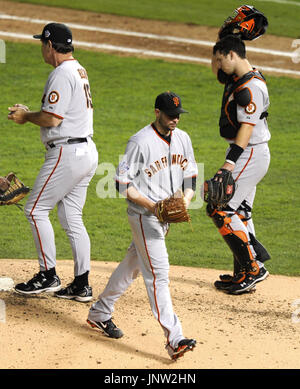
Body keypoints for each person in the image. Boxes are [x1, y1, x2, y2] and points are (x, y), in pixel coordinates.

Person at [87, 92, 198, 360]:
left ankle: (100, 311)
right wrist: (154, 207)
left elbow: (191, 178)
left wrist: (184, 201)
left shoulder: (183, 139)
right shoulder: (139, 142)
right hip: (143, 217)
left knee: (133, 265)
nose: (175, 120)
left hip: (165, 219)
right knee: (158, 274)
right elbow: (121, 185)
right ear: (156, 112)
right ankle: (175, 339)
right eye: (170, 115)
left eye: (178, 115)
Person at [8, 23, 98, 302]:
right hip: (87, 152)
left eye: (42, 44)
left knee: (35, 209)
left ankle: (47, 275)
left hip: (67, 153)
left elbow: (52, 118)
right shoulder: (79, 70)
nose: (41, 49)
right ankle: (81, 284)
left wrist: (25, 116)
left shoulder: (61, 74)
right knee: (70, 217)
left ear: (50, 46)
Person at [208, 34, 271, 295]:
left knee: (218, 207)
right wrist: (224, 37)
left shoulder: (251, 87)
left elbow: (247, 127)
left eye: (221, 59)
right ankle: (245, 271)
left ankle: (253, 268)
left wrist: (229, 164)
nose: (218, 66)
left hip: (248, 153)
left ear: (233, 55)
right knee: (241, 211)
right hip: (248, 152)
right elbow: (218, 73)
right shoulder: (242, 77)